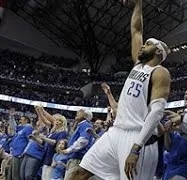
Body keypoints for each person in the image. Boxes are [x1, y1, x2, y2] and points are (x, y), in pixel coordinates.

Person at [72, 0, 171, 179]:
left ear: (158, 52)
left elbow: (156, 113)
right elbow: (136, 31)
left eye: (148, 44)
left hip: (137, 137)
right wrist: (138, 5)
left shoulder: (160, 72)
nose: (142, 45)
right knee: (79, 172)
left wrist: (136, 147)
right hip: (116, 132)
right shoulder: (138, 66)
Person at [63, 109, 93, 180]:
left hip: (77, 158)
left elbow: (83, 140)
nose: (77, 113)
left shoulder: (85, 124)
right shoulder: (81, 125)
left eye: (80, 112)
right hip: (73, 157)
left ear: (85, 116)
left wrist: (68, 150)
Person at [7, 110, 33, 180]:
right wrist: (11, 117)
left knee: (16, 174)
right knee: (12, 173)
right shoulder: (21, 128)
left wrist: (24, 152)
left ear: (26, 121)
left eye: (21, 120)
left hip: (19, 154)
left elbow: (30, 140)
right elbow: (13, 126)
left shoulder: (28, 128)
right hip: (15, 153)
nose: (20, 121)